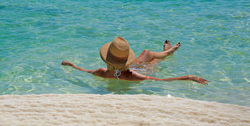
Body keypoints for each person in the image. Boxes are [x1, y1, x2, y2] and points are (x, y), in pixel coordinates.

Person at [61, 36, 209, 84]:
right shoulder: (132, 76)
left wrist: (71, 65)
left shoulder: (102, 72)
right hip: (137, 69)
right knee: (153, 60)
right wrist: (188, 77)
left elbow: (86, 71)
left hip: (133, 66)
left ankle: (167, 52)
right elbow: (161, 80)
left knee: (147, 52)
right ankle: (167, 52)